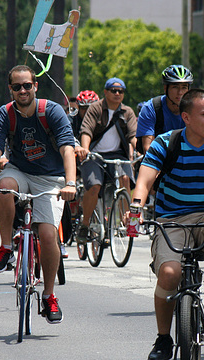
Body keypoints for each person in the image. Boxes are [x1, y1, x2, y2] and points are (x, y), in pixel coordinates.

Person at [131, 89, 204, 360]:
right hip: (171, 220)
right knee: (170, 274)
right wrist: (136, 208)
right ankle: (163, 340)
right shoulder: (166, 143)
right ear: (185, 117)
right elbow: (144, 181)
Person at [0, 65, 76, 324]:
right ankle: (6, 247)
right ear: (10, 89)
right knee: (4, 187)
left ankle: (49, 295)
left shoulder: (52, 111)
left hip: (51, 178)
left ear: (36, 86)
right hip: (20, 171)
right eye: (16, 86)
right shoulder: (5, 114)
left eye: (27, 85)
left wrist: (70, 183)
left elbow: (68, 148)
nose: (22, 90)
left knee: (47, 236)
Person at [76, 77, 137, 243]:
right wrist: (85, 150)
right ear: (105, 92)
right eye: (113, 90)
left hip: (118, 155)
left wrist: (141, 148)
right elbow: (86, 130)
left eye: (121, 91)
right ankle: (86, 224)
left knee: (125, 179)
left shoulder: (127, 112)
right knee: (94, 186)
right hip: (95, 155)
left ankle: (128, 221)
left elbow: (133, 135)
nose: (117, 94)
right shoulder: (96, 108)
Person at [136, 65, 193, 154]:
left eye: (184, 87)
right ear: (165, 88)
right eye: (175, 87)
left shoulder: (194, 109)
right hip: (159, 161)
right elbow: (148, 148)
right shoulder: (151, 108)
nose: (180, 92)